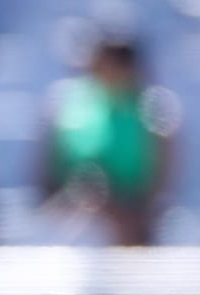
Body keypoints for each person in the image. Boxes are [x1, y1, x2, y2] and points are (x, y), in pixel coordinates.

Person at [36, 34, 174, 246]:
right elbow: (47, 167)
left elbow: (162, 177)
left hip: (130, 218)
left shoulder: (152, 109)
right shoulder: (69, 102)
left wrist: (126, 212)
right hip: (73, 210)